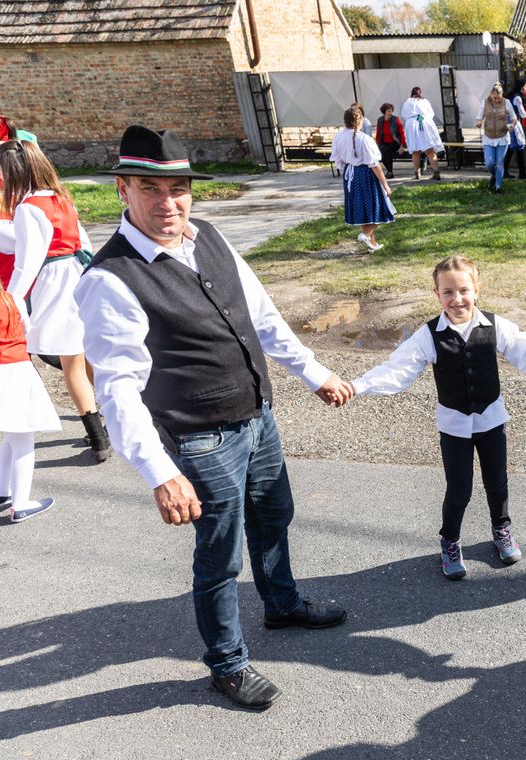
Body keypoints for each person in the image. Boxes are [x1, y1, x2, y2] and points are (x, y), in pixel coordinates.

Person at [74, 125, 352, 710]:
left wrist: (315, 372)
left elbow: (264, 317)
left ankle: (280, 604)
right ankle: (227, 665)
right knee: (219, 556)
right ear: (123, 189)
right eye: (151, 188)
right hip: (200, 439)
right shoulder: (109, 279)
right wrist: (158, 472)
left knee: (275, 514)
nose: (168, 202)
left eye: (178, 188)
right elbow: (118, 389)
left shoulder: (211, 238)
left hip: (256, 416)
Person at [348, 255, 526, 580]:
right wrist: (357, 385)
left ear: (477, 290)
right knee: (459, 489)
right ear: (437, 294)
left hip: (492, 420)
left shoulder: (494, 326)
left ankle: (502, 530)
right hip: (454, 426)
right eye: (448, 292)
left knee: (497, 482)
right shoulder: (428, 336)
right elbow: (397, 370)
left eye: (463, 290)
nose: (457, 299)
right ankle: (450, 540)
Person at [0, 138, 111, 461]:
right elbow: (83, 240)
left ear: (14, 172)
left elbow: (27, 262)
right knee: (84, 356)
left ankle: (98, 437)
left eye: (2, 170)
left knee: (71, 362)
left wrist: (11, 300)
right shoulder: (61, 198)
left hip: (54, 284)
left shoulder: (27, 208)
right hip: (77, 275)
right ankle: (108, 422)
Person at [0, 181, 59, 523]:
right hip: (13, 371)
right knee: (23, 436)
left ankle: (0, 492)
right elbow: (27, 332)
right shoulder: (7, 301)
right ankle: (21, 502)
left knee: (12, 435)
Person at [331, 107, 394, 252]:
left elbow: (338, 161)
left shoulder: (338, 137)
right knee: (379, 207)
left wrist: (350, 163)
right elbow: (374, 164)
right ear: (359, 121)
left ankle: (372, 244)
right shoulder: (364, 138)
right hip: (365, 175)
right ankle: (365, 234)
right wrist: (385, 184)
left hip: (350, 176)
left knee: (364, 210)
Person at [476, 82, 517, 194]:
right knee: (489, 163)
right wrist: (479, 123)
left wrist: (512, 125)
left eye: (499, 98)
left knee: (499, 163)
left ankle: (498, 187)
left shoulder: (506, 102)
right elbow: (479, 117)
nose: (497, 100)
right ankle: (496, 175)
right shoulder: (484, 103)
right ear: (490, 95)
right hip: (488, 137)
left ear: (502, 95)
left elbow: (514, 118)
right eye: (495, 98)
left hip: (502, 137)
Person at [401, 86, 443, 180]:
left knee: (415, 151)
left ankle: (417, 173)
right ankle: (436, 172)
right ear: (421, 93)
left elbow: (404, 115)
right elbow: (431, 114)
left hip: (412, 124)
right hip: (426, 123)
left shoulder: (407, 102)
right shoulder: (425, 101)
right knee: (430, 149)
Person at [502, 79, 526, 182]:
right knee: (519, 147)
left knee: (511, 148)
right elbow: (522, 112)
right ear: (521, 87)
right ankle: (522, 173)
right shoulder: (517, 98)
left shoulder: (510, 96)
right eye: (525, 86)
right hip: (514, 124)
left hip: (508, 123)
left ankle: (505, 171)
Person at [374, 103, 406, 179]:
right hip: (384, 142)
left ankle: (390, 172)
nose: (390, 112)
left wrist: (403, 145)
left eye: (391, 111)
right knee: (380, 153)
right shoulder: (380, 120)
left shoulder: (396, 119)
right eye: (388, 111)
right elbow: (378, 133)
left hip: (395, 142)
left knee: (387, 151)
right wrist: (377, 144)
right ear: (384, 111)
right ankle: (389, 171)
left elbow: (401, 132)